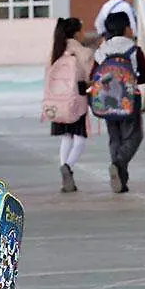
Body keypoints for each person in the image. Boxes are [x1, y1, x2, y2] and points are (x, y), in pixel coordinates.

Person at [94, 11, 145, 193]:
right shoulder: (134, 50)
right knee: (134, 136)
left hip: (108, 100)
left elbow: (94, 76)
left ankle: (121, 180)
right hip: (129, 99)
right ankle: (118, 164)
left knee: (115, 137)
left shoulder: (101, 51)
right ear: (126, 28)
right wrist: (130, 79)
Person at [46, 17, 95, 193]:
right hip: (78, 100)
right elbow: (90, 77)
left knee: (66, 137)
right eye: (82, 30)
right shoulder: (83, 52)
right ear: (76, 33)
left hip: (58, 102)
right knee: (80, 139)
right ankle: (67, 167)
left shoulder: (56, 51)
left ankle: (64, 176)